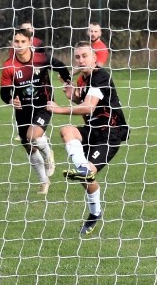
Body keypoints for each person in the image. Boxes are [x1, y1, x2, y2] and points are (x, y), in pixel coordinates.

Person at [47, 41, 128, 236]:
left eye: (85, 56)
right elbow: (83, 102)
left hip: (110, 133)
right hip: (92, 130)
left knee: (86, 175)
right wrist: (72, 94)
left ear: (94, 58)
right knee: (67, 131)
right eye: (77, 57)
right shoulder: (84, 79)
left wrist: (59, 109)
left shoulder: (101, 76)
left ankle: (93, 208)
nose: (81, 60)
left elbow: (89, 107)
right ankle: (83, 174)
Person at [0, 27, 71, 195]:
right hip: (23, 109)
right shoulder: (9, 66)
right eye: (16, 41)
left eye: (23, 41)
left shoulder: (41, 58)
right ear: (12, 43)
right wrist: (11, 100)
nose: (19, 45)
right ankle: (44, 181)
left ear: (30, 42)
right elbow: (3, 92)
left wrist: (67, 81)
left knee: (34, 136)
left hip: (44, 105)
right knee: (28, 146)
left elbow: (60, 66)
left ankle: (48, 154)